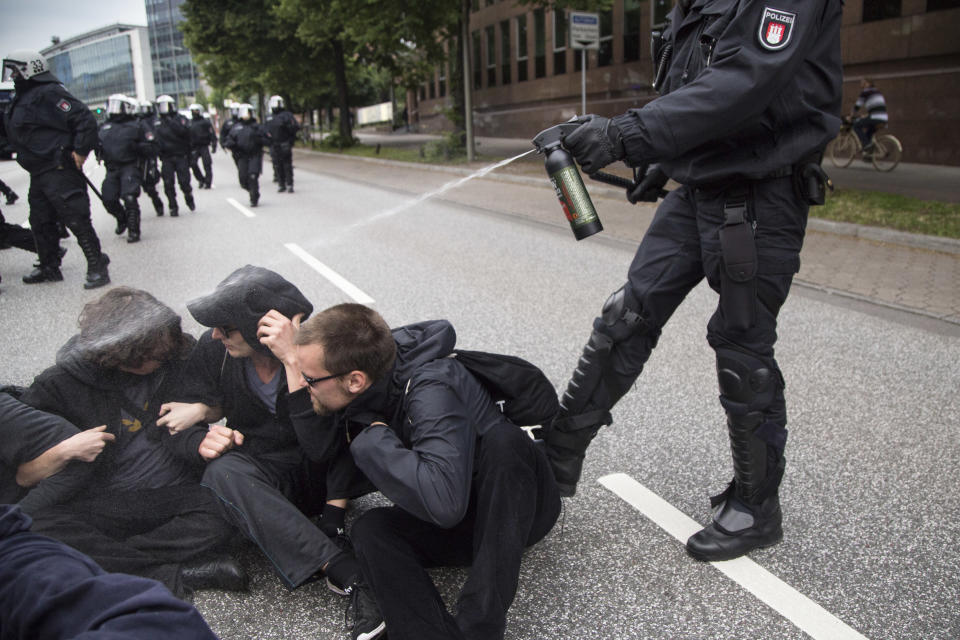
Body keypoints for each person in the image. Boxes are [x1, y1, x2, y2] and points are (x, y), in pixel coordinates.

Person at [542, 0, 843, 563]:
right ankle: (556, 457)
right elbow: (696, 84)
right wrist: (662, 158)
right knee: (625, 316)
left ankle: (756, 509)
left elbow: (746, 80)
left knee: (741, 346)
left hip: (761, 192)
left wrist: (628, 135)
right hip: (702, 185)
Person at [295, 304, 561, 640]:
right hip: (462, 510)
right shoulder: (368, 379)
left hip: (519, 509)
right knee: (370, 529)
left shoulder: (429, 388)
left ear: (355, 381)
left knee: (503, 442)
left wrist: (372, 441)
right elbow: (319, 450)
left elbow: (444, 504)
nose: (304, 385)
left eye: (308, 378)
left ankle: (479, 627)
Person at [156, 265, 373, 602]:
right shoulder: (217, 352)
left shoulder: (316, 352)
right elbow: (175, 421)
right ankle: (338, 565)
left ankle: (309, 532)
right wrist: (199, 440)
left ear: (262, 328)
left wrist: (291, 362)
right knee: (222, 472)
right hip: (265, 473)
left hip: (325, 476)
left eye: (227, 329)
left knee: (225, 505)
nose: (216, 336)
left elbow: (323, 449)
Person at [18, 286, 247, 598]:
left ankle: (100, 561)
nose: (166, 357)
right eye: (156, 355)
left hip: (174, 493)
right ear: (121, 356)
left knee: (233, 507)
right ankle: (172, 573)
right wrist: (62, 451)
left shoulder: (178, 354)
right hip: (104, 500)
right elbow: (22, 472)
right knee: (35, 524)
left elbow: (226, 398)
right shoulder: (59, 385)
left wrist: (203, 410)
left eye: (168, 349)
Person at [0, 504, 220, 639]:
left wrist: (194, 438)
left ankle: (114, 557)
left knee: (216, 503)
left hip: (140, 495)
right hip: (70, 507)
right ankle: (169, 573)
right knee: (49, 527)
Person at [1, 49, 110, 289]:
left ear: (30, 68)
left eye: (15, 70)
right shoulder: (22, 97)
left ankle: (97, 265)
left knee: (76, 218)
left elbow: (83, 118)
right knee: (40, 220)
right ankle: (49, 266)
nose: (12, 74)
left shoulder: (50, 92)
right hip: (39, 170)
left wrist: (81, 151)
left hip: (58, 167)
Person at [97, 94, 156, 243]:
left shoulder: (137, 125)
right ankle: (121, 218)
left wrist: (138, 147)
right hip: (111, 168)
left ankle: (133, 230)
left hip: (130, 166)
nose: (114, 109)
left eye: (118, 105)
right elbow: (95, 143)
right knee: (108, 198)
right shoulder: (104, 127)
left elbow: (153, 147)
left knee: (129, 197)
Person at [153, 94, 195, 216]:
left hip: (181, 156)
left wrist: (171, 122)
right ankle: (173, 206)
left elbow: (186, 133)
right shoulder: (157, 122)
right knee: (168, 183)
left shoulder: (180, 119)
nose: (162, 109)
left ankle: (188, 197)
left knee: (184, 182)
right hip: (166, 158)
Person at [224, 103, 266, 206]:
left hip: (254, 154)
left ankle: (254, 197)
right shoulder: (236, 127)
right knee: (243, 179)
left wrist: (259, 140)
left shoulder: (257, 127)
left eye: (248, 113)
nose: (246, 115)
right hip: (242, 156)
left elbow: (267, 138)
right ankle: (252, 190)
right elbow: (229, 140)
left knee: (253, 175)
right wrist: (231, 145)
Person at [264, 95, 299, 193]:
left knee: (287, 165)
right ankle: (281, 183)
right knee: (277, 165)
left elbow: (294, 127)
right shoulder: (269, 117)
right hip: (274, 144)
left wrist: (290, 139)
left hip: (284, 143)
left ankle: (289, 183)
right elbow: (264, 129)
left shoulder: (286, 115)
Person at [138, 99, 166, 216]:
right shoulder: (136, 122)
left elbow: (152, 138)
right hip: (127, 160)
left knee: (149, 184)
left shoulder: (152, 121)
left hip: (145, 156)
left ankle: (157, 202)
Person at [851, 78, 888, 154]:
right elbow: (876, 107)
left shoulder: (866, 92)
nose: (861, 84)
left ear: (867, 83)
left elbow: (857, 106)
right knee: (869, 133)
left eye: (862, 82)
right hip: (884, 118)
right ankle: (868, 155)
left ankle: (867, 145)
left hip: (875, 117)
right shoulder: (877, 92)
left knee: (856, 125)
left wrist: (851, 115)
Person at [188, 103, 217, 189]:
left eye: (196, 111)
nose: (194, 112)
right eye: (193, 111)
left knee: (207, 164)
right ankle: (201, 179)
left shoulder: (206, 122)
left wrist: (214, 144)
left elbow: (212, 134)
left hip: (204, 145)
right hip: (194, 147)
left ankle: (208, 182)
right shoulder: (190, 123)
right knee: (193, 164)